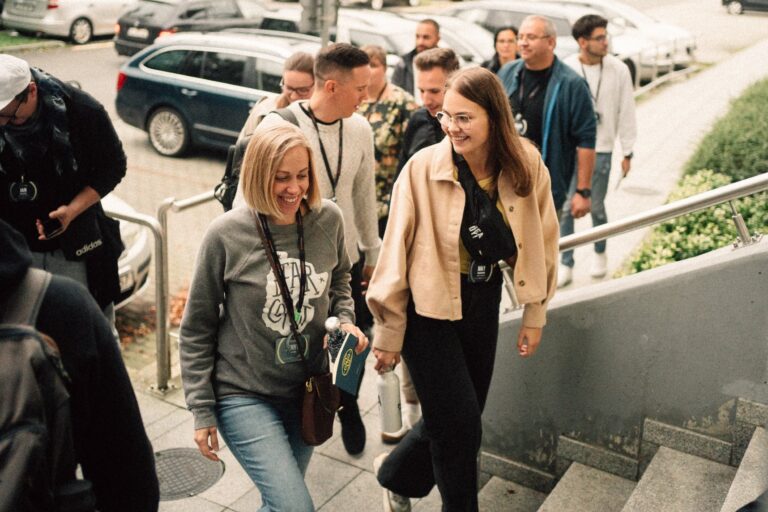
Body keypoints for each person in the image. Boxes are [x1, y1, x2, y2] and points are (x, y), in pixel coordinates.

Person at [367, 67, 559, 512]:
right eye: (445, 116)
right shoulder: (421, 169)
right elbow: (394, 253)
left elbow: (543, 242)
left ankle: (394, 475)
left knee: (461, 418)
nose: (451, 127)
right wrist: (389, 333)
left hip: (482, 298)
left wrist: (535, 314)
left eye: (464, 117)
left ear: (494, 117)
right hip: (426, 307)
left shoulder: (526, 165)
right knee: (458, 428)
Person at [180, 123, 369, 511]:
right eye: (281, 178)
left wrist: (346, 318)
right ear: (257, 175)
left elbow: (339, 278)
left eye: (302, 176)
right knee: (295, 506)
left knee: (281, 503)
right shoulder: (225, 235)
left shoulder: (328, 218)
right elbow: (197, 327)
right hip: (243, 392)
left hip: (307, 390)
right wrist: (202, 410)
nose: (294, 188)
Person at [258, 43, 381, 455]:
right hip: (297, 263)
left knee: (354, 339)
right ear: (331, 85)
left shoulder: (360, 129)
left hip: (346, 260)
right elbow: (254, 199)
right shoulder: (282, 126)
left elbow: (365, 196)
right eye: (360, 88)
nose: (367, 95)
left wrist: (373, 253)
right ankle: (302, 413)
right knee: (302, 344)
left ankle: (346, 405)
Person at [0, 218, 160, 512]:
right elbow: (128, 478)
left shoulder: (62, 307)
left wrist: (72, 209)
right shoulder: (63, 307)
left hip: (71, 252)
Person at [0, 54, 126, 326]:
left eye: (9, 116)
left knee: (88, 325)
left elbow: (113, 167)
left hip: (74, 247)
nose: (4, 124)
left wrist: (72, 210)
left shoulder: (83, 111)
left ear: (31, 91)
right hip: (16, 248)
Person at [558, 14, 637, 286]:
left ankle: (600, 252)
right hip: (569, 150)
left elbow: (626, 111)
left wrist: (628, 151)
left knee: (597, 206)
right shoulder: (566, 68)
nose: (606, 42)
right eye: (600, 37)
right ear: (582, 42)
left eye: (606, 36)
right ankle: (566, 262)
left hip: (602, 148)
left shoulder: (618, 69)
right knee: (566, 208)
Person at [497, 15, 596, 219]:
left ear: (551, 42)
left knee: (542, 248)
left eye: (531, 37)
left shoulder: (571, 84)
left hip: (546, 187)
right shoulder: (507, 72)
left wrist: (583, 191)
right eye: (521, 36)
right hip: (504, 180)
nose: (522, 42)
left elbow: (586, 139)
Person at [357, 44, 417, 235]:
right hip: (357, 199)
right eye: (363, 66)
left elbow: (413, 153)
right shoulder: (355, 100)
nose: (368, 71)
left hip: (387, 201)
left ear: (384, 68)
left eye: (373, 65)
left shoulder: (402, 103)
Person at [397, 48, 460, 175]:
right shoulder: (417, 120)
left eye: (434, 91)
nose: (426, 101)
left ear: (456, 82)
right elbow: (401, 177)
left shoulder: (469, 125)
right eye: (421, 91)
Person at [237, 51, 315, 144]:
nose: (294, 96)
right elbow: (243, 150)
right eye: (289, 88)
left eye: (302, 90)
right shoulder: (263, 110)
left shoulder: (325, 118)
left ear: (317, 85)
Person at [392, 19, 441, 101]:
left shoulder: (448, 64)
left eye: (426, 37)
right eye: (417, 37)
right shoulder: (403, 65)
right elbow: (395, 96)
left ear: (437, 38)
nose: (420, 42)